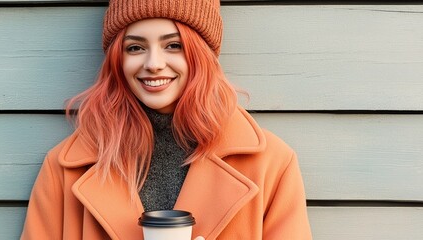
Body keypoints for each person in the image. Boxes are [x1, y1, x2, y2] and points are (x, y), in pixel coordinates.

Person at [21, 0, 312, 239]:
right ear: (117, 60)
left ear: (202, 54)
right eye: (135, 47)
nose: (153, 64)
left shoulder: (272, 165)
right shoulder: (64, 168)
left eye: (173, 45)